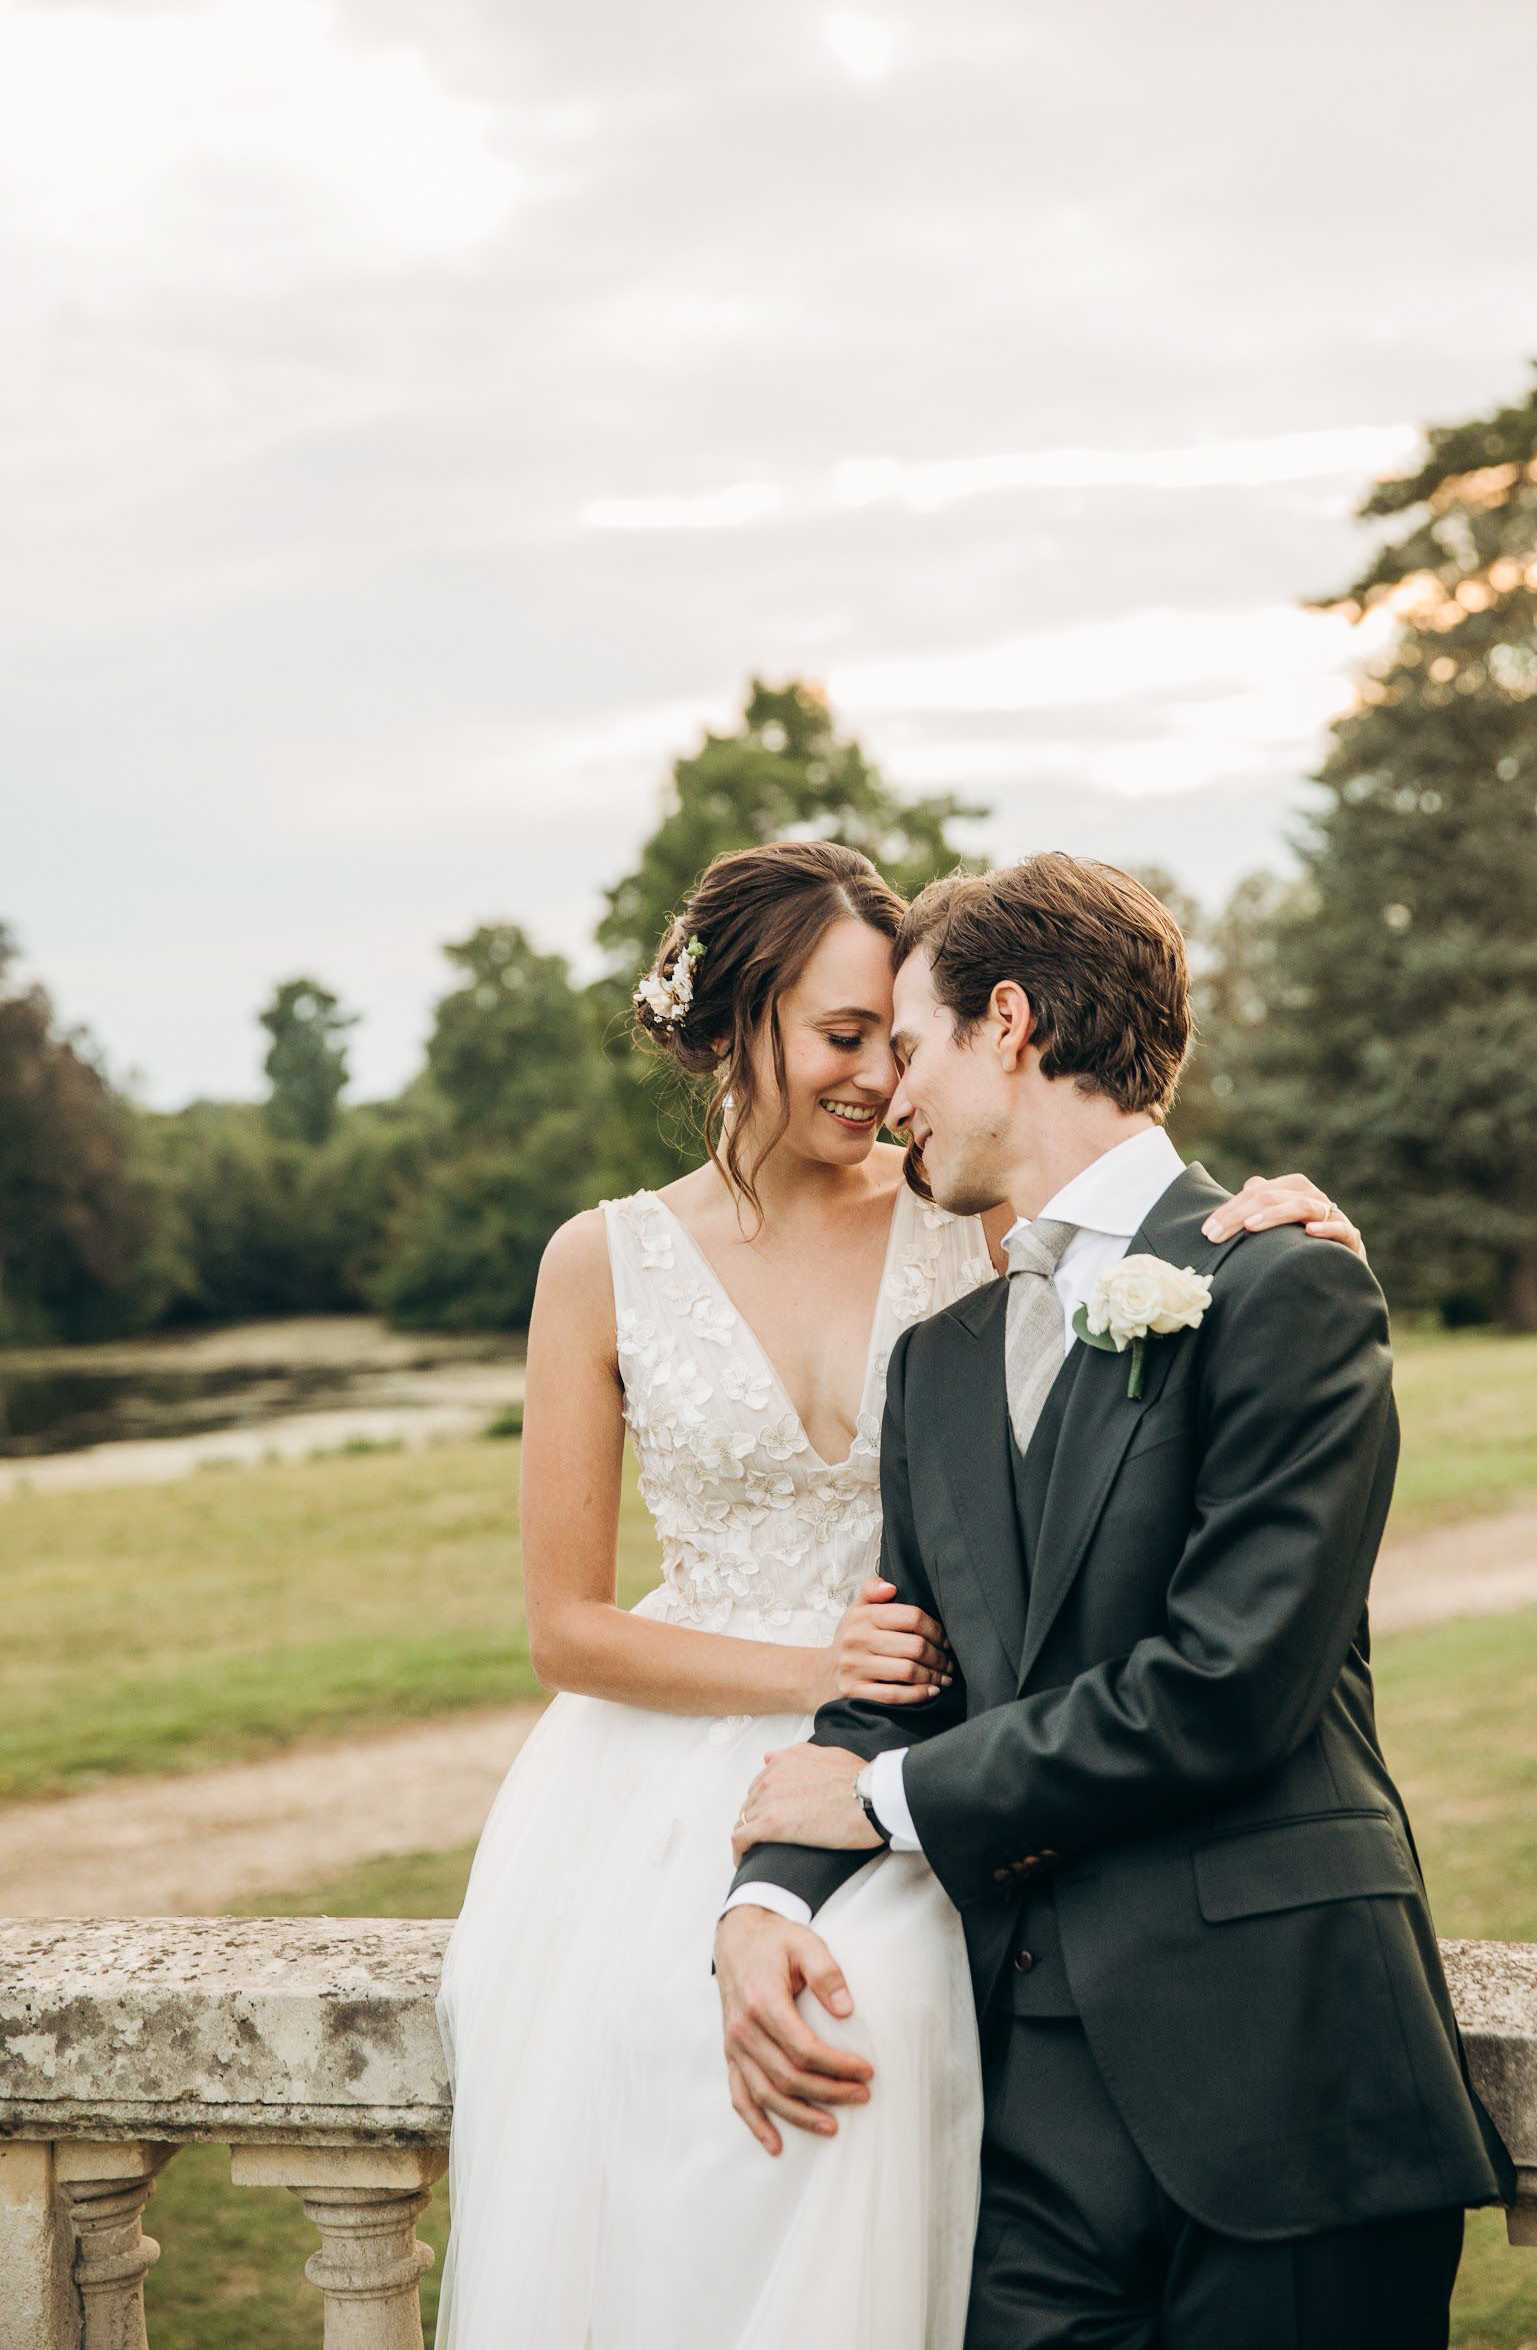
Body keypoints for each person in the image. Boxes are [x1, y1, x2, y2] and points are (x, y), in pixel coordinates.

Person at [434, 837, 1365, 2350]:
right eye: (842, 1034)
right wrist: (805, 1684)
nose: (877, 1078)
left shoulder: (965, 1213)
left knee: (881, 2057)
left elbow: (1124, 1235)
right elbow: (563, 1625)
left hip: (920, 1756)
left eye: (897, 1037)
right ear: (736, 1024)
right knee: (638, 2122)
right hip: (681, 1773)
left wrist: (1278, 1224)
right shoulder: (600, 1258)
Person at [719, 852, 1515, 2350]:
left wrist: (882, 1801)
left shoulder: (1285, 1287)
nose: (891, 1099)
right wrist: (765, 1892)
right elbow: (903, 1670)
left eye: (911, 1046)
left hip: (1285, 2078)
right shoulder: (938, 1362)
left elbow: (1223, 1686)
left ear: (1004, 1024)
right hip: (1024, 2115)